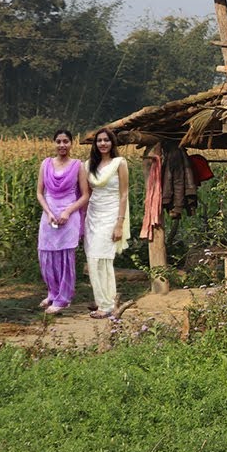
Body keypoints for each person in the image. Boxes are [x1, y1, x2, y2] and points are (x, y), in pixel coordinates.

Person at [34, 129, 89, 315]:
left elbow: (85, 195)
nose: (62, 145)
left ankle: (63, 299)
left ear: (71, 143)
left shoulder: (78, 165)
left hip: (69, 214)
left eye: (66, 141)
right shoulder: (46, 164)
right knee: (46, 255)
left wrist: (68, 211)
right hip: (48, 215)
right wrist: (48, 212)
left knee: (65, 257)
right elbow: (40, 193)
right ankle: (53, 292)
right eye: (58, 141)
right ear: (54, 143)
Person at [84, 128, 129, 319]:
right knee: (93, 258)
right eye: (99, 141)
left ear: (112, 143)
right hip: (93, 215)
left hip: (111, 214)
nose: (103, 144)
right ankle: (102, 298)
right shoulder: (88, 165)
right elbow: (87, 193)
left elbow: (124, 193)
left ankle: (107, 304)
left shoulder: (120, 163)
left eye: (106, 140)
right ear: (95, 144)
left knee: (102, 258)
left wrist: (119, 223)